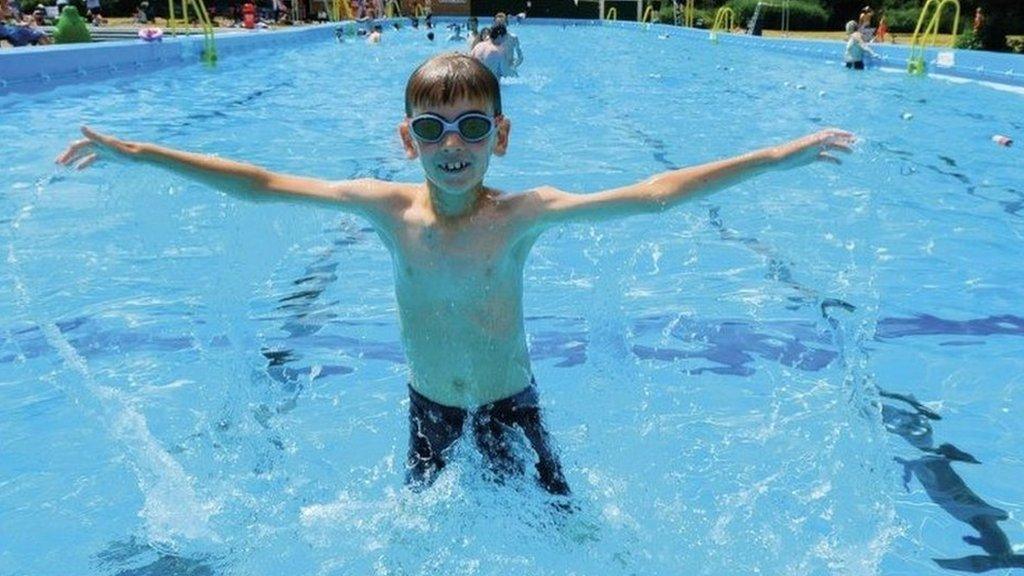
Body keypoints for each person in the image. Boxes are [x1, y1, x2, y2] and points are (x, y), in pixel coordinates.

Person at [56, 53, 853, 497]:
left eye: (472, 127)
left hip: (513, 406)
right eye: (434, 130)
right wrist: (141, 151)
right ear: (408, 139)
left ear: (499, 135)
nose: (453, 145)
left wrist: (780, 154)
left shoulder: (522, 214)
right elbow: (261, 184)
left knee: (563, 534)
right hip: (430, 410)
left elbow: (653, 197)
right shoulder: (386, 210)